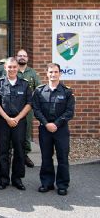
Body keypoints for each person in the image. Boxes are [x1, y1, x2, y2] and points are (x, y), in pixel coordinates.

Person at [33, 63, 75, 195]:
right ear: (47, 74)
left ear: (60, 73)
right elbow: (36, 110)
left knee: (62, 157)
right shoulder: (39, 91)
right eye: (51, 72)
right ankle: (47, 183)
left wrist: (56, 124)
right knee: (46, 157)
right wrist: (47, 124)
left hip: (61, 129)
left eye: (56, 72)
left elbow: (69, 112)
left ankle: (62, 185)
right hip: (45, 129)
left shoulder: (67, 91)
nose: (53, 74)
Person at [0, 57, 32, 191]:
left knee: (19, 151)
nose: (12, 69)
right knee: (3, 151)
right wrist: (8, 118)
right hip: (3, 121)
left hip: (19, 122)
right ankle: (3, 179)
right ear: (5, 68)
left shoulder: (24, 84)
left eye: (14, 67)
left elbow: (29, 103)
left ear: (17, 68)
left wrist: (17, 118)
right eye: (9, 67)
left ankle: (17, 179)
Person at [16, 49, 42, 168]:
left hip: (27, 108)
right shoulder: (12, 69)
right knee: (12, 131)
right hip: (13, 107)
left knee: (26, 132)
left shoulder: (32, 73)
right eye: (20, 56)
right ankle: (13, 154)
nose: (22, 57)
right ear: (16, 57)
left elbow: (38, 89)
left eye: (24, 56)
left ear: (27, 58)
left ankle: (25, 154)